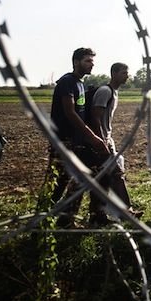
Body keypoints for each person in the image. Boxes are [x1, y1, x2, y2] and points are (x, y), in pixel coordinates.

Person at [48, 47, 111, 228]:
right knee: (57, 184)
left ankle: (72, 219)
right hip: (63, 142)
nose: (92, 64)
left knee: (88, 176)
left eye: (92, 61)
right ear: (76, 62)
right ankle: (41, 223)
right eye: (87, 61)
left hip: (77, 142)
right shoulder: (67, 82)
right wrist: (93, 137)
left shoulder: (80, 84)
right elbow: (70, 112)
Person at [88, 62, 142, 222]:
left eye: (127, 73)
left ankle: (97, 215)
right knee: (117, 174)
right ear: (114, 73)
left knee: (102, 178)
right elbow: (95, 118)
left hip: (106, 140)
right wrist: (103, 142)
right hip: (101, 142)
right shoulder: (105, 91)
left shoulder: (114, 92)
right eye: (124, 73)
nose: (127, 76)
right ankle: (126, 212)